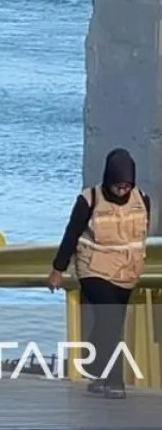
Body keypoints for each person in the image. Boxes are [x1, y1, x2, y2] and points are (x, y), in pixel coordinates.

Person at [48, 148, 150, 399]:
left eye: (126, 186)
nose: (122, 191)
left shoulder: (142, 199)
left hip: (126, 273)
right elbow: (71, 234)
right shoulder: (89, 200)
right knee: (111, 321)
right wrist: (58, 269)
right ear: (108, 180)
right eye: (117, 186)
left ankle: (96, 369)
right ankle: (115, 381)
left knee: (109, 324)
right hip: (94, 270)